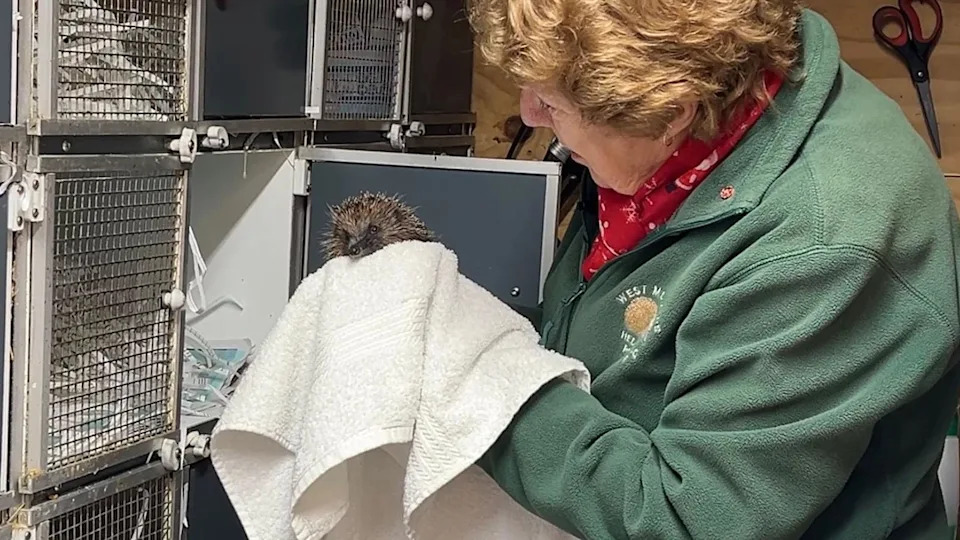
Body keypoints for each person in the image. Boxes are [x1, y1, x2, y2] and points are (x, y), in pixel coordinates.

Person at [468, 0, 960, 538]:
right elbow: (608, 323)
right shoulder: (680, 129)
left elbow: (685, 520)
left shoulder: (825, 240)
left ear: (671, 109)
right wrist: (472, 322)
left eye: (551, 102)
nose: (529, 113)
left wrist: (477, 380)